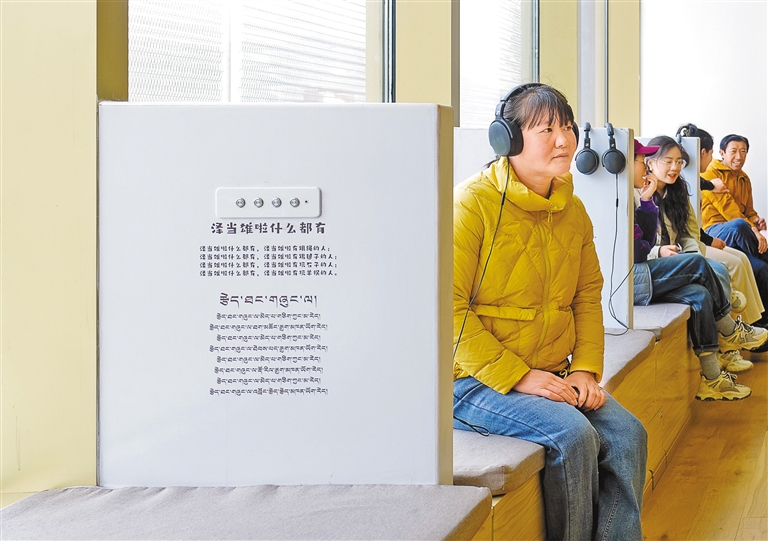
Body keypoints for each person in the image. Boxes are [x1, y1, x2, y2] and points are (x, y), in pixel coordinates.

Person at [453, 83, 646, 541]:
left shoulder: (572, 208)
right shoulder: (470, 204)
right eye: (546, 129)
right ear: (507, 138)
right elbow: (446, 310)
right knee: (573, 435)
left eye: (568, 127)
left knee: (628, 435)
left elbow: (586, 295)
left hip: (552, 371)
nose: (564, 140)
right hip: (471, 380)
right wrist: (518, 375)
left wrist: (584, 369)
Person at [633, 136, 765, 396]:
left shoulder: (674, 191)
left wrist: (688, 256)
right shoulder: (633, 194)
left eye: (679, 162)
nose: (675, 167)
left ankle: (712, 379)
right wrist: (660, 250)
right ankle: (730, 330)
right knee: (717, 261)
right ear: (648, 163)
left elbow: (689, 234)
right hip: (649, 270)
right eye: (668, 161)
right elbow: (637, 249)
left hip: (673, 261)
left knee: (703, 291)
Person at [679, 124, 766, 325]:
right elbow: (731, 213)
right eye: (734, 151)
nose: (739, 156)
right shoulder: (709, 174)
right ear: (720, 153)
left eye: (743, 151)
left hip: (734, 233)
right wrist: (754, 231)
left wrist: (756, 221)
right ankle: (750, 323)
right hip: (717, 230)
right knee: (739, 226)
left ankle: (759, 321)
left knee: (759, 266)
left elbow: (749, 212)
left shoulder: (744, 178)